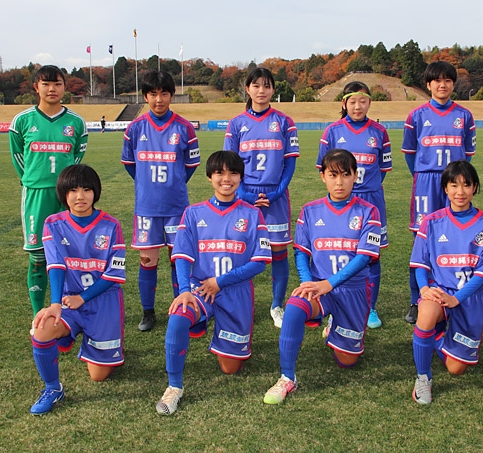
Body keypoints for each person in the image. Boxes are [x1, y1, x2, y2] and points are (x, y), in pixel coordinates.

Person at [155, 151, 272, 415]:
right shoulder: (193, 213)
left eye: (233, 173)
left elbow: (259, 262)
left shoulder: (253, 214)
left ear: (241, 177)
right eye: (220, 173)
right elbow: (182, 256)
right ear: (210, 177)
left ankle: (224, 336)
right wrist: (184, 291)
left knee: (230, 368)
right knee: (179, 314)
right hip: (200, 289)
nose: (226, 178)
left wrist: (220, 281)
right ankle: (174, 387)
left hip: (235, 291)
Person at [263, 149, 381, 405]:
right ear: (323, 176)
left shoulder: (369, 211)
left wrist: (329, 284)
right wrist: (308, 283)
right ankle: (287, 377)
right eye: (333, 175)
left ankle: (335, 325)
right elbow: (301, 253)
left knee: (347, 361)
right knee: (295, 306)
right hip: (319, 289)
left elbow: (364, 258)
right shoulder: (310, 210)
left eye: (345, 175)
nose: (339, 182)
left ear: (355, 176)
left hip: (353, 292)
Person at [29, 164, 126, 415]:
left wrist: (82, 298)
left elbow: (113, 274)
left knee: (98, 376)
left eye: (86, 190)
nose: (80, 196)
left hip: (103, 301)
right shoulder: (53, 223)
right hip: (68, 302)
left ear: (95, 192)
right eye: (73, 190)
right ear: (64, 193)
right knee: (41, 329)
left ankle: (101, 342)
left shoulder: (111, 225)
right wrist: (55, 304)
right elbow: (56, 265)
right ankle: (53, 388)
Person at [409, 160, 483, 405]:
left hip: (469, 297)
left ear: (475, 187)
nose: (460, 191)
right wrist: (425, 289)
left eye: (466, 185)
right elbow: (420, 263)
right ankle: (423, 377)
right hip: (439, 291)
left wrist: (457, 298)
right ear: (445, 188)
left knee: (455, 369)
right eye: (454, 185)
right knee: (426, 312)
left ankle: (437, 337)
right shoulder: (431, 221)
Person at [121, 70, 200, 331]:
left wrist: (173, 183)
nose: (158, 99)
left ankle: (182, 309)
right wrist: (147, 185)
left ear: (171, 95)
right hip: (147, 208)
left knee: (179, 259)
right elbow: (130, 165)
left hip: (176, 207)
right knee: (147, 261)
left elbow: (190, 165)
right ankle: (148, 312)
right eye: (153, 94)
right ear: (145, 96)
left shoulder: (184, 127)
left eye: (164, 93)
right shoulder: (135, 128)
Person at [9, 64, 89, 316]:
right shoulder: (22, 121)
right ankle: (37, 315)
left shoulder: (76, 122)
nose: (51, 89)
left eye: (57, 83)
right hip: (37, 194)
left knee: (70, 253)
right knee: (37, 257)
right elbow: (18, 157)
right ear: (36, 87)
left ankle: (68, 309)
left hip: (67, 196)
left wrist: (66, 185)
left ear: (65, 87)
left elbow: (77, 158)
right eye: (46, 84)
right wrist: (32, 180)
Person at [223, 67, 300, 328]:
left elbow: (290, 163)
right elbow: (230, 164)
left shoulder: (285, 122)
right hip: (243, 197)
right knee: (239, 251)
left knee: (278, 252)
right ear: (248, 89)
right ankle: (236, 303)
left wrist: (277, 192)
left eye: (267, 86)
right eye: (256, 85)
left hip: (275, 198)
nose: (261, 91)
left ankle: (277, 305)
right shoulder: (236, 124)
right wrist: (243, 193)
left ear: (273, 89)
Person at [401, 61, 476, 325]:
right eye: (437, 80)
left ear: (453, 84)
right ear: (428, 84)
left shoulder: (464, 116)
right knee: (420, 243)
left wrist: (456, 180)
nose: (442, 85)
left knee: (454, 238)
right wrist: (423, 175)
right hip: (426, 182)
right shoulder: (417, 115)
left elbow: (467, 154)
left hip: (455, 182)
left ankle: (452, 294)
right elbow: (410, 154)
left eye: (447, 80)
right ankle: (416, 300)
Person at [317, 81, 392, 329]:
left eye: (363, 101)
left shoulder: (379, 132)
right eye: (352, 101)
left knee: (372, 255)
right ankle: (334, 305)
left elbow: (382, 170)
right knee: (339, 252)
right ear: (344, 103)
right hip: (341, 203)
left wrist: (366, 191)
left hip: (371, 200)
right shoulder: (332, 132)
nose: (357, 106)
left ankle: (370, 307)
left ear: (369, 103)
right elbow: (324, 169)